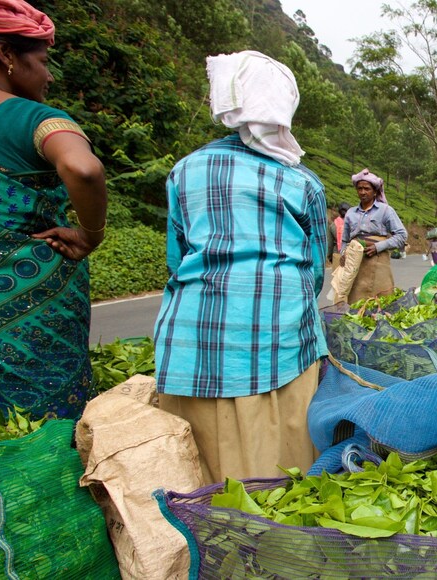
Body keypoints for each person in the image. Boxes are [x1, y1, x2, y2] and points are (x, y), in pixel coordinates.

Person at [153, 51, 327, 485]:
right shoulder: (302, 181)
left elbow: (177, 258)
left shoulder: (184, 170)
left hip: (191, 344)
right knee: (278, 472)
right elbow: (314, 271)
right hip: (278, 343)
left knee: (201, 470)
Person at [0, 0, 108, 424]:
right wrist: (91, 233)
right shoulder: (33, 118)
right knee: (40, 432)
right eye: (42, 61)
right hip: (33, 324)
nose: (49, 75)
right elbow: (83, 168)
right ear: (5, 53)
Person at [334, 168, 406, 304]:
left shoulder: (386, 211)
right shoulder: (350, 213)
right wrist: (343, 253)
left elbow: (402, 236)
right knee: (356, 302)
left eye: (367, 189)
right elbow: (344, 240)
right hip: (355, 264)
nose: (362, 192)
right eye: (359, 188)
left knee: (380, 301)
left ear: (375, 191)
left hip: (379, 261)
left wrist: (378, 247)